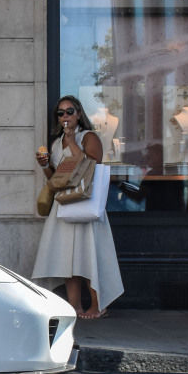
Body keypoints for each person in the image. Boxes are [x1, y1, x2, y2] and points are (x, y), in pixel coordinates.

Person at [32, 95, 124, 318]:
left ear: (79, 113)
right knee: (68, 258)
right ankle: (75, 306)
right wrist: (45, 166)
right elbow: (55, 179)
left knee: (90, 254)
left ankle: (98, 305)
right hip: (64, 204)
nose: (65, 116)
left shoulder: (88, 136)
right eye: (61, 113)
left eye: (69, 111)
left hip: (85, 203)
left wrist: (72, 140)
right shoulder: (55, 143)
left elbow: (92, 165)